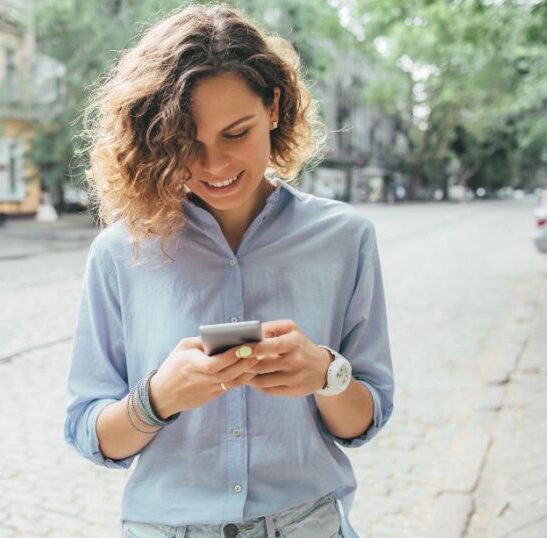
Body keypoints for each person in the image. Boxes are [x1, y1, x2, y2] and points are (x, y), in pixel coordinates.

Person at [64, 5, 394, 538]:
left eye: (235, 133)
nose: (213, 166)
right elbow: (89, 432)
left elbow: (365, 418)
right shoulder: (119, 252)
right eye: (186, 144)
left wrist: (326, 373)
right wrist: (159, 398)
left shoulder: (345, 238)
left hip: (307, 523)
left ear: (274, 107)